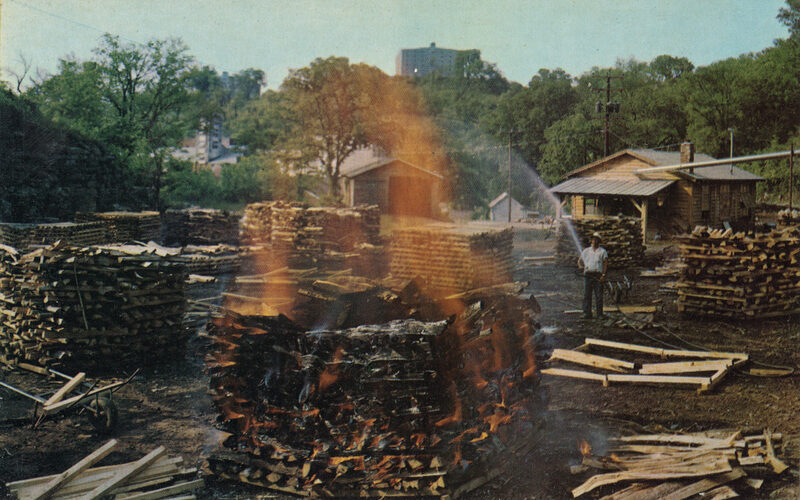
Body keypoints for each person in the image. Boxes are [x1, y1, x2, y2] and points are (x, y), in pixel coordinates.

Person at [577, 232, 608, 319]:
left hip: (598, 274)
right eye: (593, 239)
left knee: (599, 295)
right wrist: (580, 266)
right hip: (588, 275)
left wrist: (603, 275)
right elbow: (579, 261)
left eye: (596, 240)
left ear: (599, 241)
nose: (594, 241)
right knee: (587, 295)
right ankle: (587, 313)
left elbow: (605, 263)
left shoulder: (602, 251)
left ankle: (600, 314)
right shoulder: (586, 251)